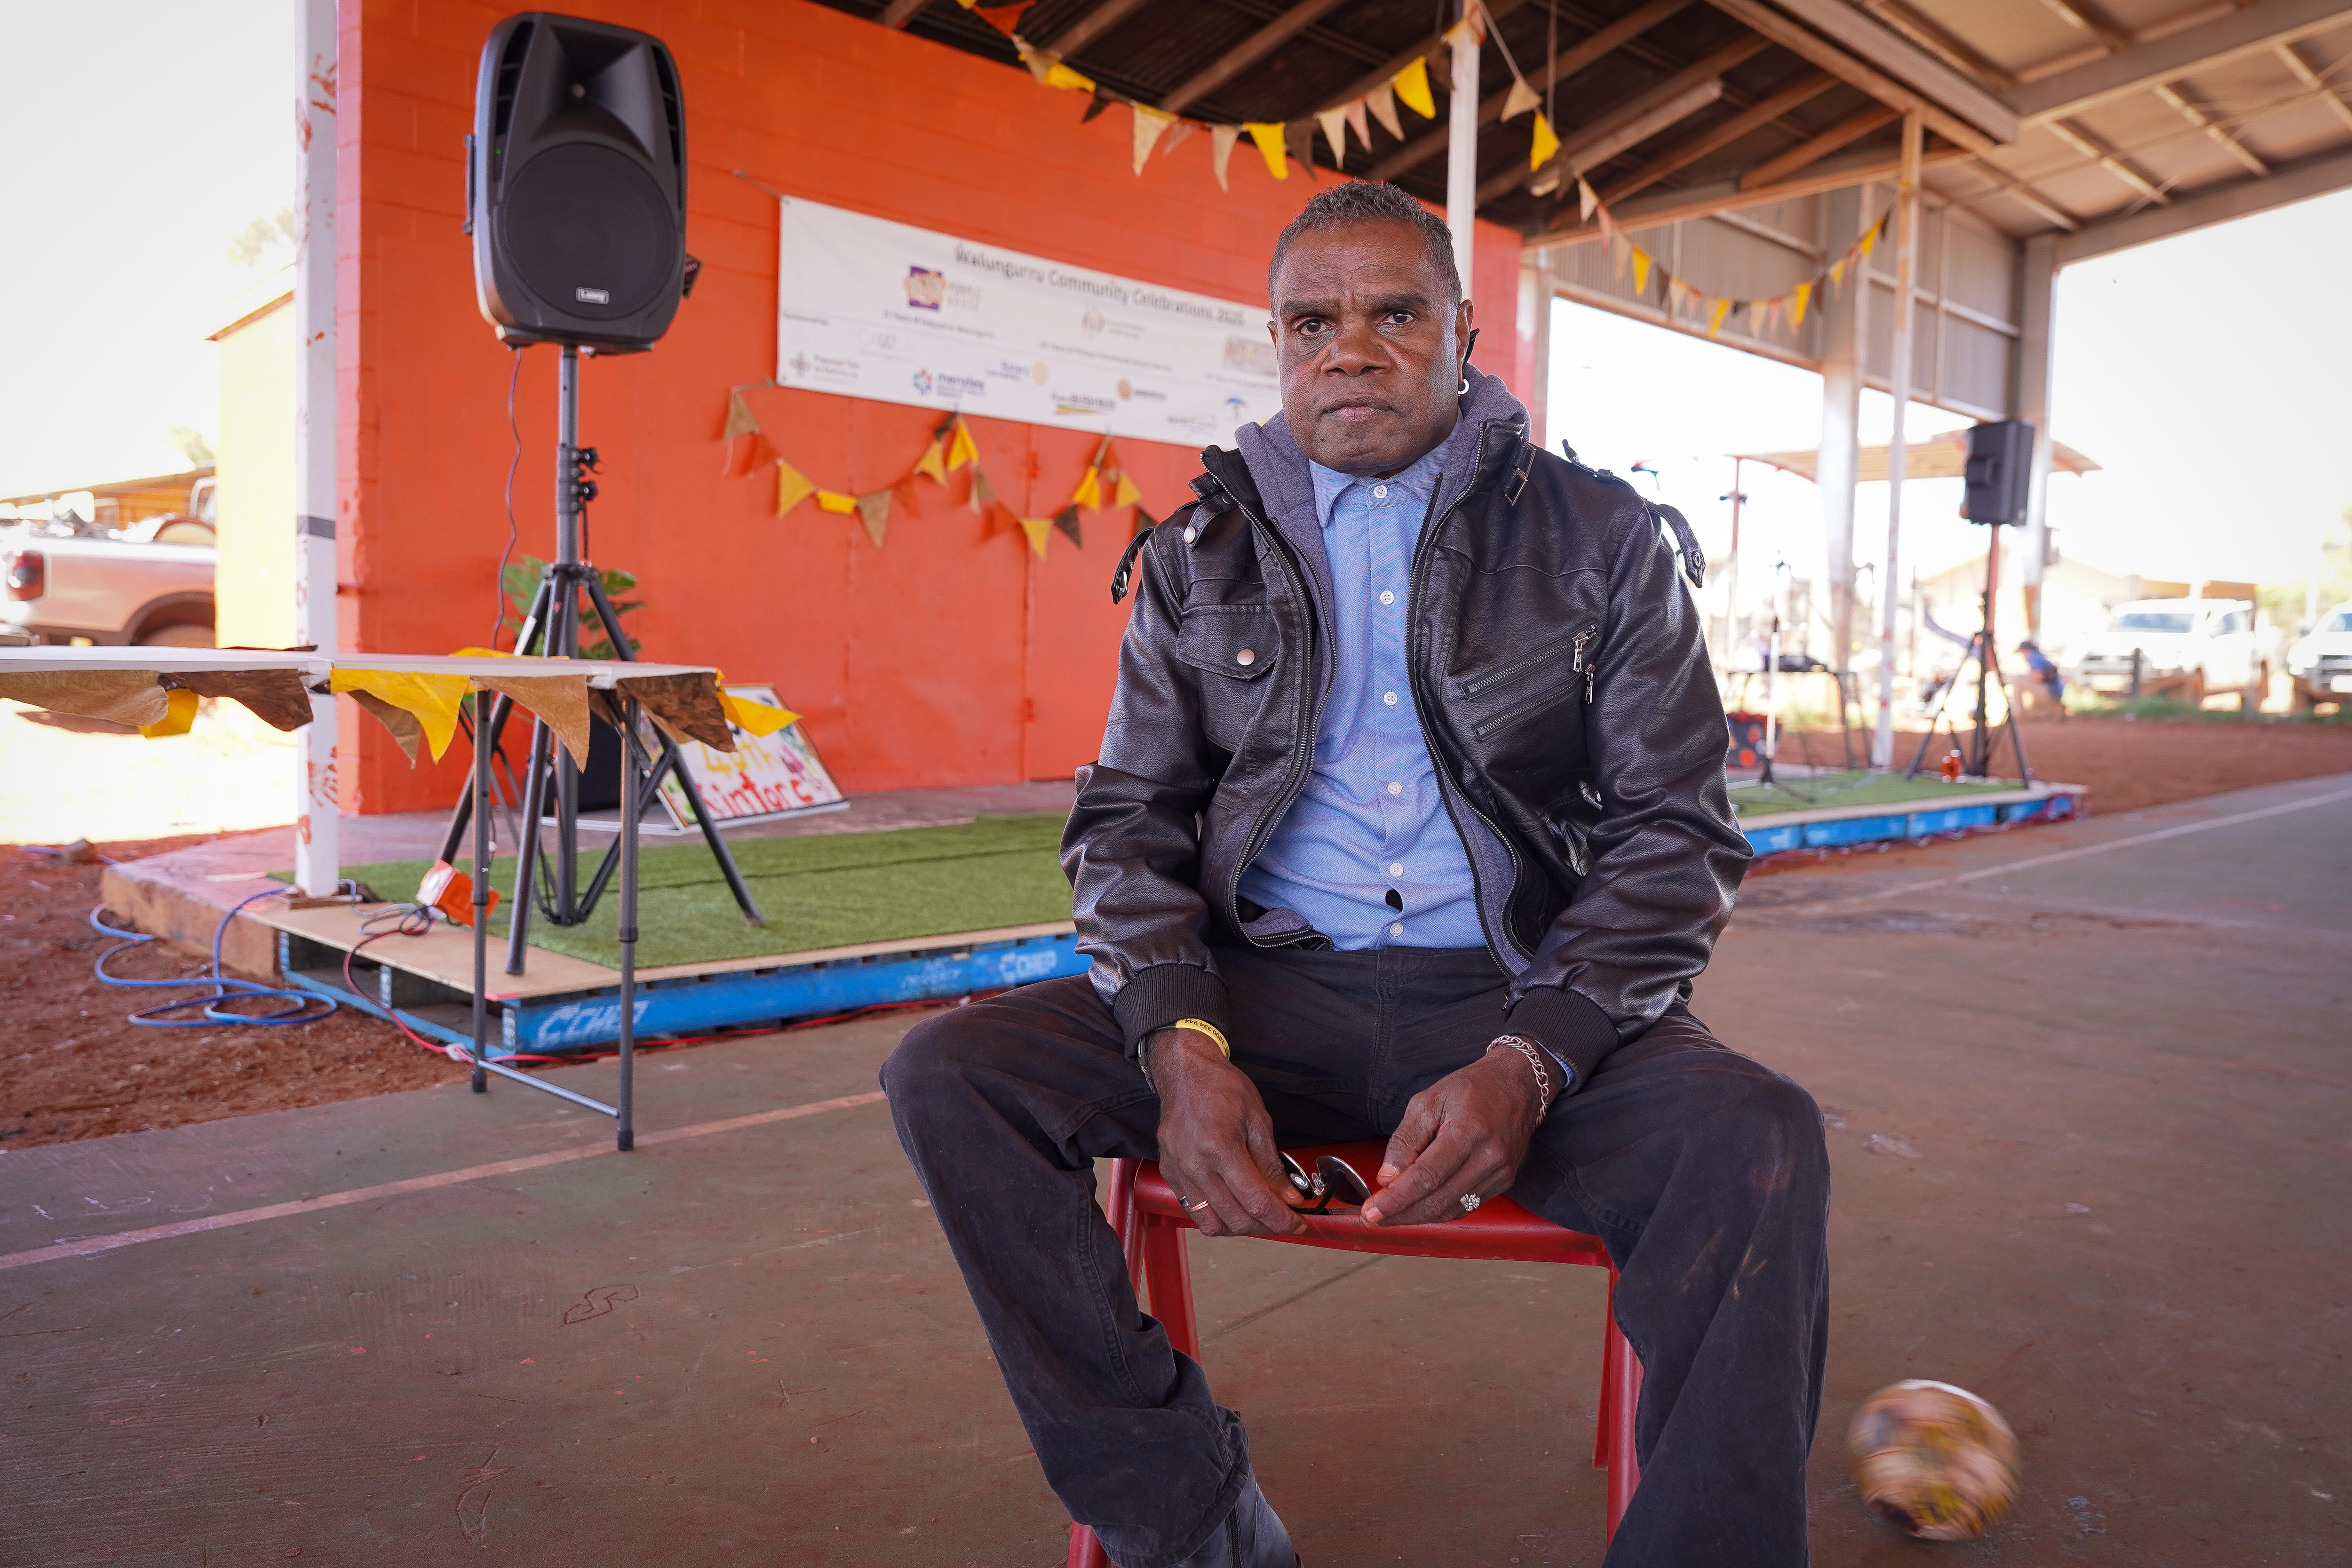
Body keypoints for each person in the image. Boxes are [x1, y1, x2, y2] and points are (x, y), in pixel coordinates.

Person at [884, 180, 1829, 1568]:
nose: (1351, 349)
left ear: (1465, 334)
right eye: (1310, 321)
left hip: (1520, 996)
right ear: (1276, 345)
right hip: (1266, 995)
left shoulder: (1604, 540)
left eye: (1396, 312)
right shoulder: (1195, 558)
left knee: (1758, 1138)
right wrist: (1181, 1039)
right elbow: (1131, 818)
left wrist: (1536, 1056)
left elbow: (1675, 834)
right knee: (952, 1076)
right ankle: (1188, 1516)